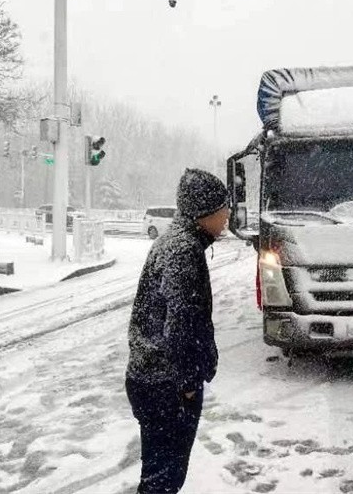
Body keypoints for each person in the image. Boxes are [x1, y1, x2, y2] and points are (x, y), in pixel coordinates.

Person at [126, 168, 230, 494]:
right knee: (164, 479)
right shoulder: (183, 251)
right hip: (165, 385)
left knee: (158, 473)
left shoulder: (174, 243)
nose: (227, 214)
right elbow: (180, 323)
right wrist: (187, 384)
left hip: (150, 379)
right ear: (204, 211)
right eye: (223, 207)